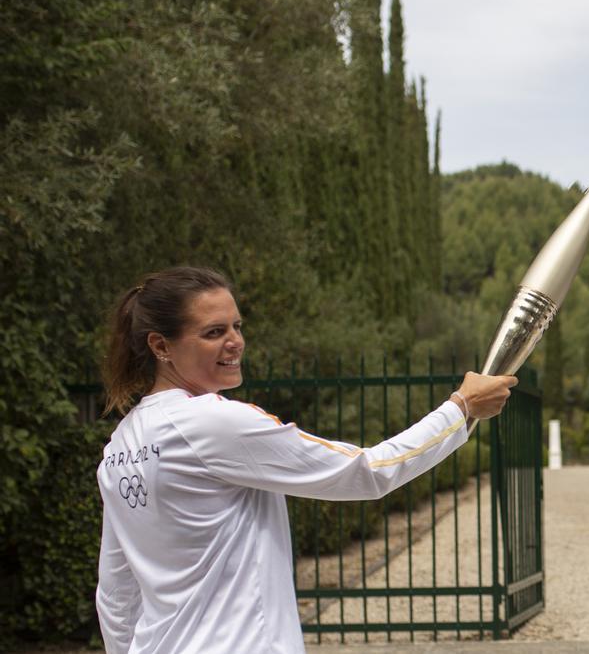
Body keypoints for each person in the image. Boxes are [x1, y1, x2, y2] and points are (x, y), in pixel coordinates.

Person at [95, 267, 517, 653]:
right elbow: (367, 471)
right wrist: (461, 408)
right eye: (213, 332)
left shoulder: (120, 446)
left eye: (237, 326)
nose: (235, 341)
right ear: (161, 346)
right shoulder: (214, 422)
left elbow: (116, 593)